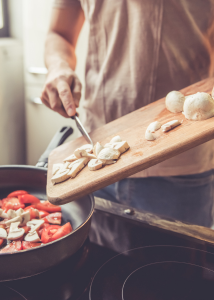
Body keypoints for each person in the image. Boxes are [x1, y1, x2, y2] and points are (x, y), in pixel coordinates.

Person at [41, 0, 214, 227]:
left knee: (177, 260)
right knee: (101, 258)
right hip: (97, 151)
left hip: (182, 161)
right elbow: (58, 33)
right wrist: (58, 66)